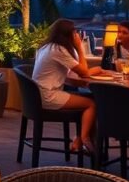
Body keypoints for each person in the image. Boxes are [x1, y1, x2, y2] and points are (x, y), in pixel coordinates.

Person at [32, 19, 108, 153]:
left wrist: (94, 70)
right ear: (69, 35)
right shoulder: (59, 50)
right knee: (91, 104)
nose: (77, 35)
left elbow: (74, 71)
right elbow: (84, 72)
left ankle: (79, 140)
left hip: (37, 95)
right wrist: (79, 46)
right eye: (75, 32)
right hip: (48, 96)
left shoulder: (46, 47)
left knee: (88, 98)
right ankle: (84, 139)